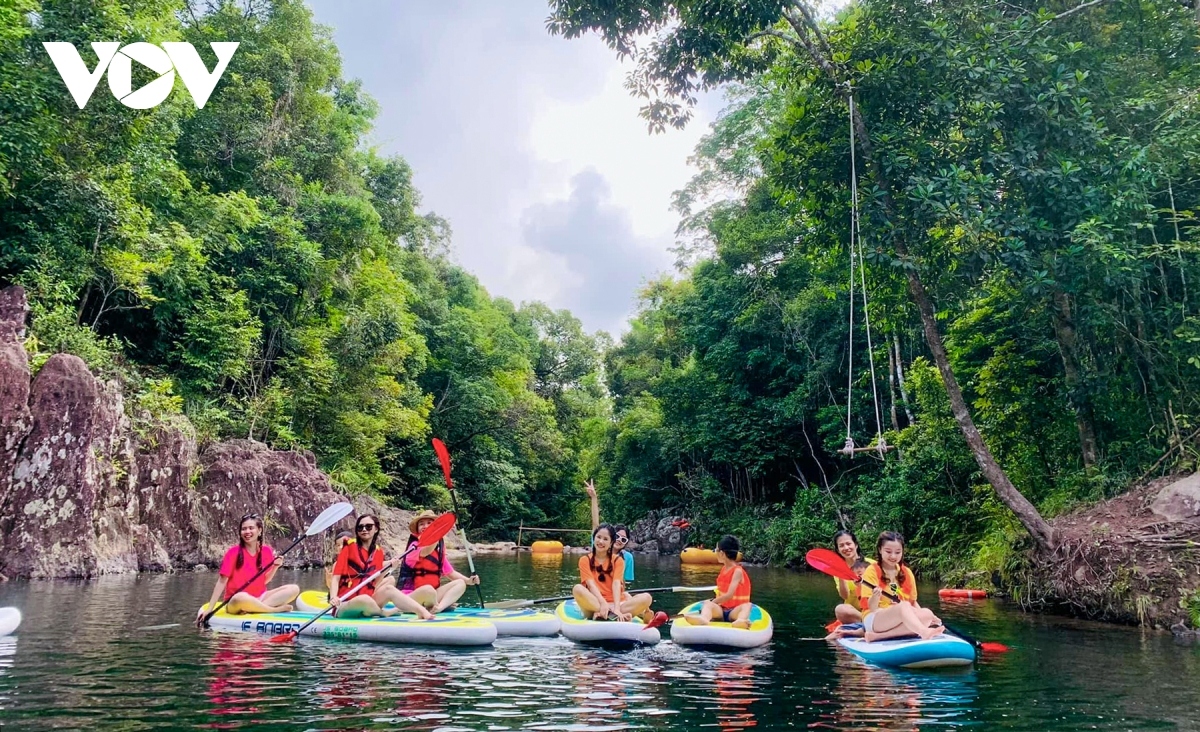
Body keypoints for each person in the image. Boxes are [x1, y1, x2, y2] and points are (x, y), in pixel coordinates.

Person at [199, 513, 300, 621]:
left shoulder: (266, 551)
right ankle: (273, 610)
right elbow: (221, 582)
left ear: (259, 530)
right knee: (240, 597)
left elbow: (265, 580)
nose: (247, 532)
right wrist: (210, 608)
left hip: (261, 597)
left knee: (294, 589)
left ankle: (256, 608)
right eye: (244, 529)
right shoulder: (233, 553)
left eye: (251, 528)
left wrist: (275, 566)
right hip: (235, 601)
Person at [330, 514, 433, 619]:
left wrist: (390, 567)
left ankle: (421, 611)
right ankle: (382, 613)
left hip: (368, 603)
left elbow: (375, 583)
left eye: (368, 526)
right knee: (363, 599)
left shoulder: (378, 552)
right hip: (344, 605)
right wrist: (334, 597)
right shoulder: (348, 547)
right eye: (360, 527)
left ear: (376, 529)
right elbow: (336, 577)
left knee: (388, 589)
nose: (364, 529)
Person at [573, 523, 667, 627]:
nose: (600, 541)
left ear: (611, 542)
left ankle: (609, 615)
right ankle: (610, 614)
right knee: (577, 589)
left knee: (647, 597)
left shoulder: (618, 560)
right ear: (594, 538)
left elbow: (616, 584)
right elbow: (591, 585)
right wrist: (603, 603)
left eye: (605, 539)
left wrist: (617, 608)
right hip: (595, 604)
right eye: (598, 537)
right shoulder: (584, 560)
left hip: (617, 604)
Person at [857, 531, 944, 642]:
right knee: (903, 605)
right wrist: (875, 596)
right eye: (888, 551)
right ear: (880, 550)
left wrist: (927, 616)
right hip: (875, 618)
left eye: (897, 552)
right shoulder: (872, 570)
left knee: (927, 613)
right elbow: (872, 608)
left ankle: (877, 637)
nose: (893, 556)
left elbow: (912, 602)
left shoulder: (906, 572)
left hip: (900, 616)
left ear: (902, 552)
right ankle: (924, 632)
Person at [397, 510, 479, 614]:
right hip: (410, 598)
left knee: (460, 583)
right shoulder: (414, 546)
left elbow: (451, 573)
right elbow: (426, 551)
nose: (425, 526)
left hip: (431, 596)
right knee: (428, 590)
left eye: (429, 523)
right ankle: (438, 605)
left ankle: (439, 608)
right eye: (421, 524)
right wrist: (438, 531)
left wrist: (469, 581)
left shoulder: (438, 553)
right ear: (417, 529)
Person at [683, 535, 752, 628]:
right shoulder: (724, 569)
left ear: (722, 553)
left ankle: (741, 621)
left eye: (716, 550)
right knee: (707, 603)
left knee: (747, 606)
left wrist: (714, 601)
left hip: (735, 611)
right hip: (722, 610)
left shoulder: (737, 571)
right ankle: (704, 619)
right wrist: (711, 602)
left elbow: (729, 595)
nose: (715, 553)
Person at [585, 479, 634, 583]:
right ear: (611, 537)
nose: (619, 540)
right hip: (596, 592)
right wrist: (594, 497)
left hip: (614, 593)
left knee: (645, 597)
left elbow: (625, 583)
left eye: (624, 539)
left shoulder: (627, 558)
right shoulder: (600, 547)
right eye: (617, 536)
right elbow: (595, 524)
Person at [832, 530, 874, 625]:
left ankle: (870, 621)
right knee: (840, 609)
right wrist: (841, 575)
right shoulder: (837, 570)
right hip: (854, 612)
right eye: (841, 545)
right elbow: (845, 596)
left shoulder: (872, 564)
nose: (846, 548)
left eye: (848, 544)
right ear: (838, 550)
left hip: (874, 608)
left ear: (855, 545)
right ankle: (868, 621)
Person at [323, 529, 354, 600]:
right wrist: (329, 582)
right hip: (343, 597)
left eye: (344, 544)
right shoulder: (336, 565)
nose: (340, 547)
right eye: (338, 545)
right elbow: (334, 587)